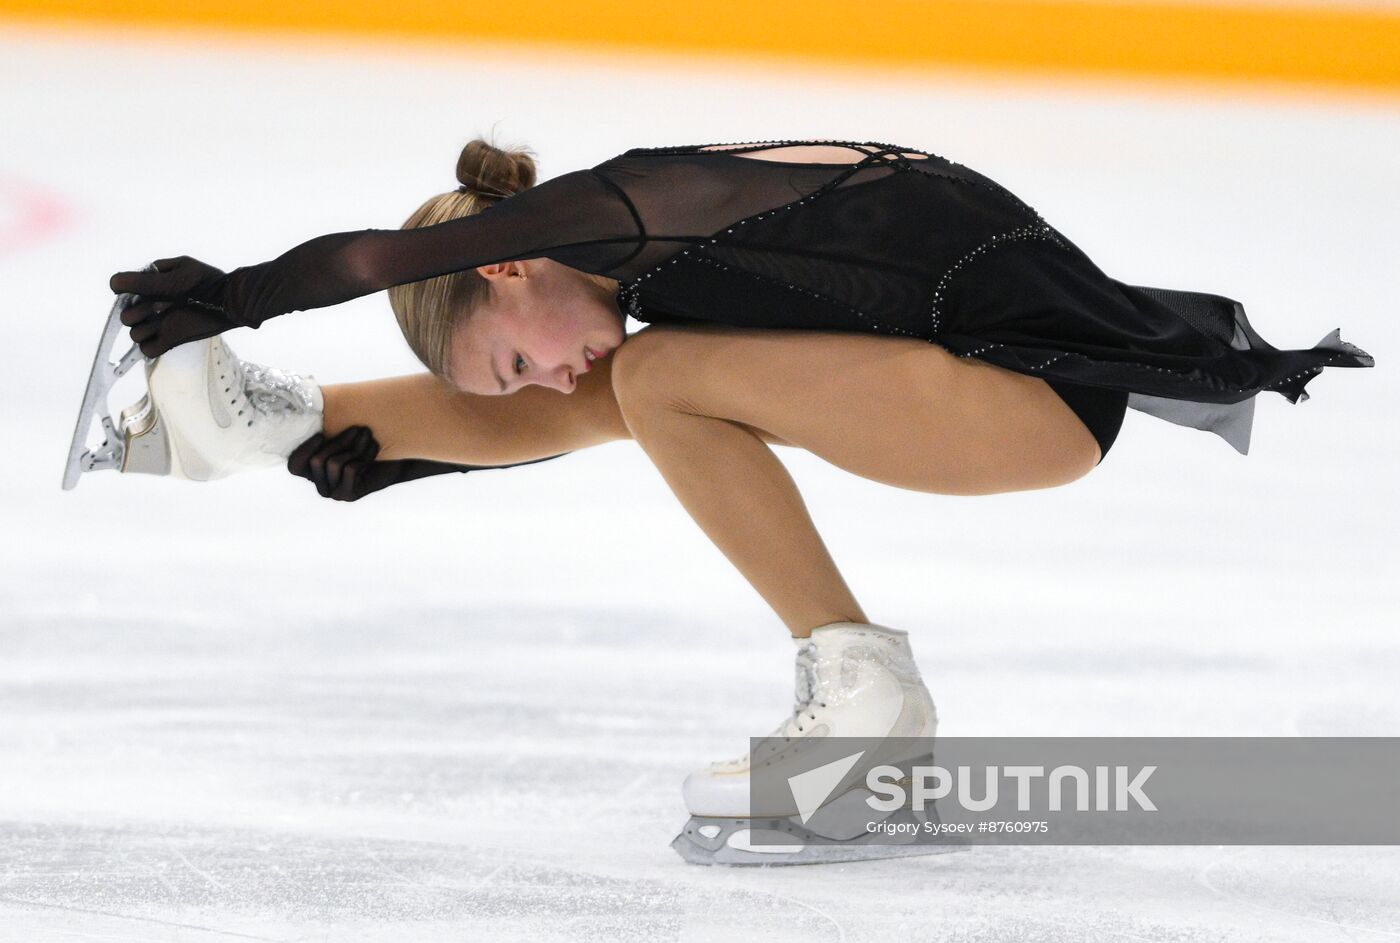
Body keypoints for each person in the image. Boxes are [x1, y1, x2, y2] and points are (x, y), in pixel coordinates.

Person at [101, 136, 1373, 864]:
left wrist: (229, 295)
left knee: (649, 371)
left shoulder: (629, 206)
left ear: (502, 262)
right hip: (984, 384)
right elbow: (591, 409)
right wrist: (388, 454)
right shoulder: (633, 271)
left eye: (507, 354)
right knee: (642, 377)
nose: (539, 377)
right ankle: (268, 422)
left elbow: (377, 261)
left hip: (1028, 393)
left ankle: (866, 693)